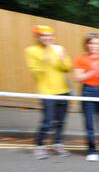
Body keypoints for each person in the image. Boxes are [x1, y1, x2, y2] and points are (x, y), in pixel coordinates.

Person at [25, 25, 72, 160]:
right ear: (38, 37)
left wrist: (62, 58)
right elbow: (35, 71)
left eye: (50, 35)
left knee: (61, 122)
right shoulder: (31, 51)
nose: (47, 38)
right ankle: (39, 146)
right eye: (44, 35)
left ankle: (57, 144)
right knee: (48, 121)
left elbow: (67, 68)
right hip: (46, 91)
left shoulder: (59, 49)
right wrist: (45, 58)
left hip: (64, 90)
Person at [74, 33, 99, 162]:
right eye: (92, 43)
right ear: (87, 44)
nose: (95, 46)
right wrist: (92, 71)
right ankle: (92, 150)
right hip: (88, 91)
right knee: (89, 123)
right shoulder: (81, 58)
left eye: (97, 43)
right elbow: (78, 78)